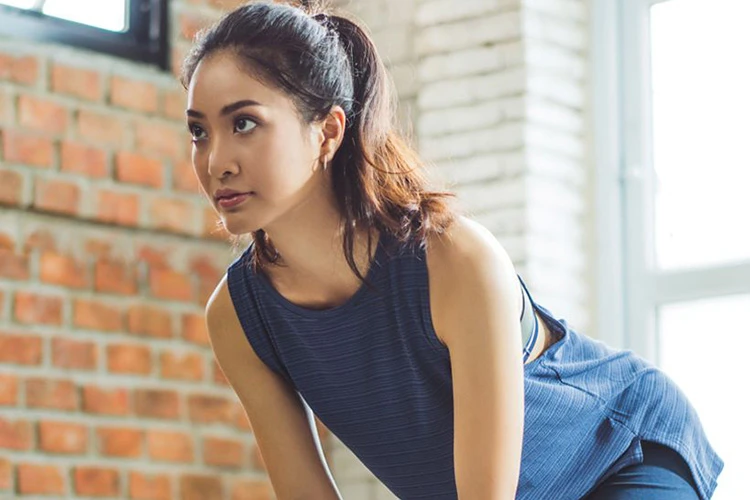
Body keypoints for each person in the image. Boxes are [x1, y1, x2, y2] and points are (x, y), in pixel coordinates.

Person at [181, 1, 723, 498]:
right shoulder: (238, 317)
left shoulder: (455, 260)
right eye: (199, 132)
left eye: (245, 123)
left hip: (616, 452)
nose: (215, 161)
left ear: (327, 132)